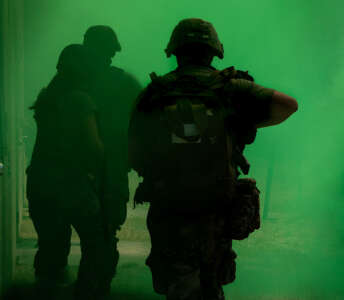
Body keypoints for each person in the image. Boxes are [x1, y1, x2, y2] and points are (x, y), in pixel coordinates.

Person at [128, 18, 298, 300]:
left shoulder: (153, 93)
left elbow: (134, 152)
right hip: (216, 204)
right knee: (211, 280)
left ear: (175, 51)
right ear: (214, 51)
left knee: (179, 282)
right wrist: (242, 122)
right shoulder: (232, 88)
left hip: (169, 205)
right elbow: (289, 105)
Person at [26, 44, 110, 300]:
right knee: (96, 245)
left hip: (40, 184)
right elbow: (94, 147)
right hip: (72, 185)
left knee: (51, 248)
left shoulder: (46, 98)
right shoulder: (81, 100)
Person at [82, 25, 142, 293]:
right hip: (112, 166)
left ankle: (90, 281)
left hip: (76, 168)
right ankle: (98, 281)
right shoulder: (125, 82)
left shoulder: (72, 81)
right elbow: (144, 121)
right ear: (112, 51)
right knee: (106, 231)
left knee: (90, 230)